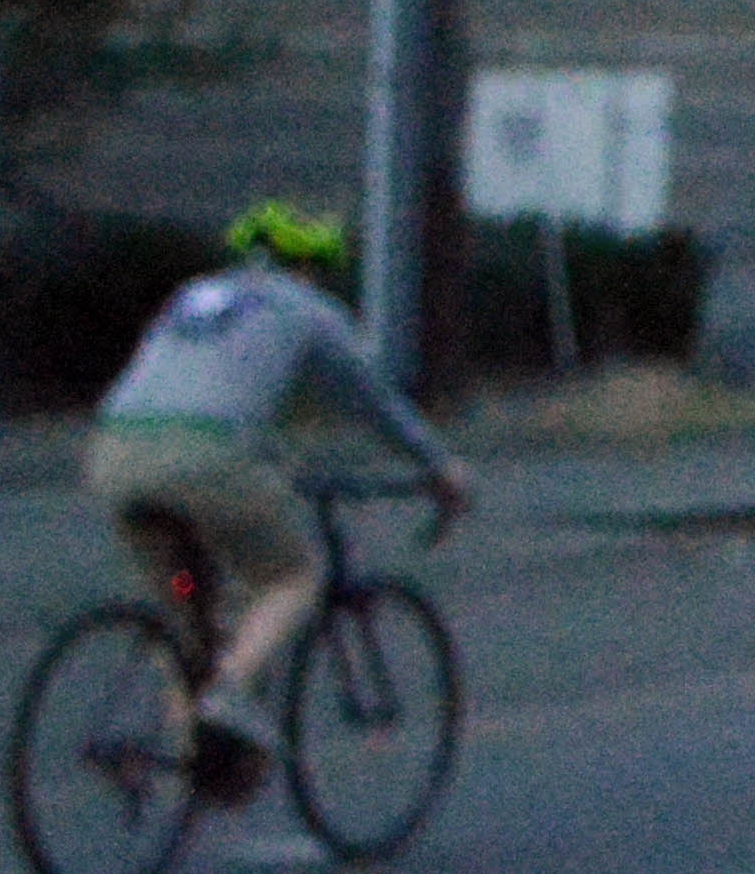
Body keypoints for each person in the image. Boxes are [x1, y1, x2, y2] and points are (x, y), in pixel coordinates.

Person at [84, 202, 473, 805]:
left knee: (186, 603)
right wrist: (438, 467)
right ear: (308, 267)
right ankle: (228, 696)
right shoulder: (307, 309)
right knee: (290, 576)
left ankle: (189, 760)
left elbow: (208, 384)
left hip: (116, 457)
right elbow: (372, 401)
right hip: (204, 461)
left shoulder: (196, 297)